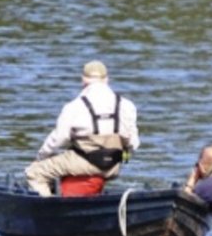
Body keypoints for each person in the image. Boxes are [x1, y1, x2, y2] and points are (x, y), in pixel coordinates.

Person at [24, 61, 140, 197]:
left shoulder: (74, 106)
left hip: (84, 163)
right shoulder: (127, 105)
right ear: (107, 80)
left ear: (83, 80)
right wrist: (121, 158)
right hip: (113, 167)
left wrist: (40, 157)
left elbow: (59, 139)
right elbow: (133, 144)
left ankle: (52, 210)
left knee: (34, 173)